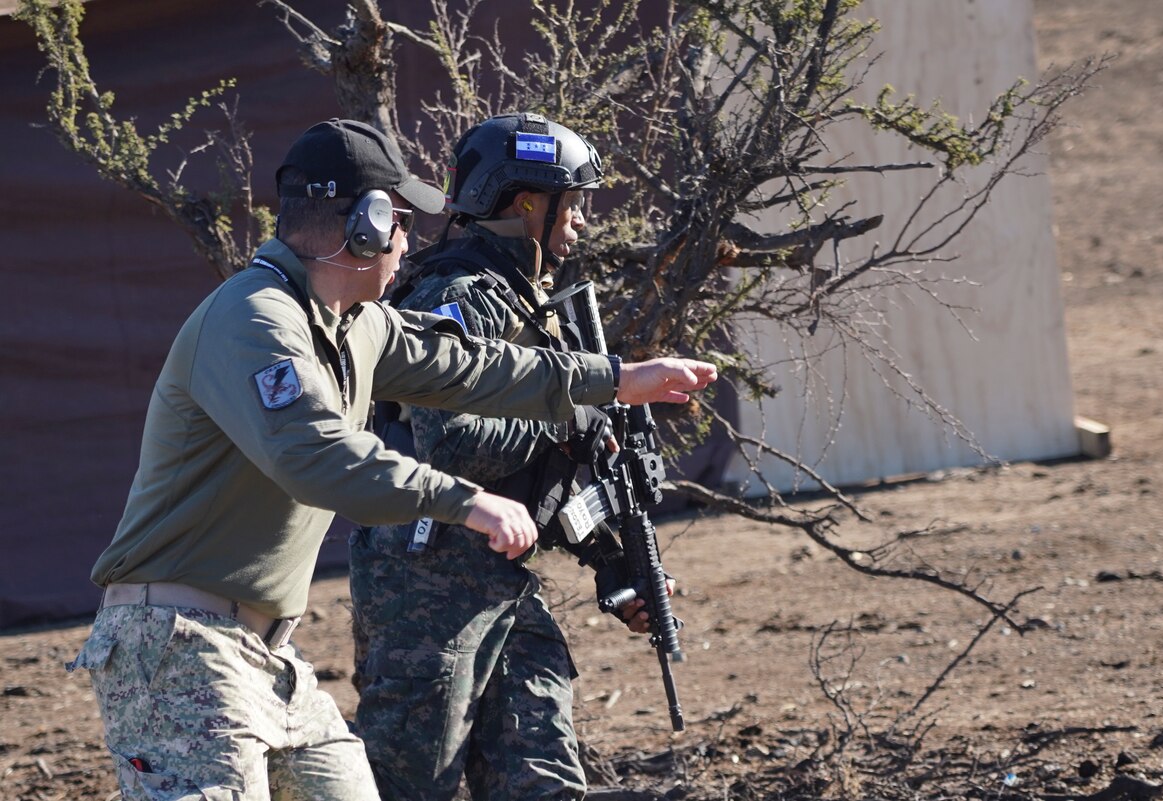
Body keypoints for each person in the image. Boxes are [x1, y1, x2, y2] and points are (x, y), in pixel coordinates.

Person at [65, 117, 717, 801]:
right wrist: (462, 498)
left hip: (265, 652)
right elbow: (316, 453)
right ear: (367, 224)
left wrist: (615, 379)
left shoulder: (357, 324)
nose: (410, 241)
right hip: (176, 648)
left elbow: (474, 366)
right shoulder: (256, 319)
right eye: (400, 220)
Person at [349, 112, 674, 801]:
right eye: (575, 204)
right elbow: (452, 443)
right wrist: (568, 419)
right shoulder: (455, 296)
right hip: (425, 586)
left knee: (545, 780)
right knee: (407, 784)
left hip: (500, 579)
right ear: (529, 202)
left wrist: (615, 562)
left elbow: (543, 475)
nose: (582, 222)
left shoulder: (528, 301)